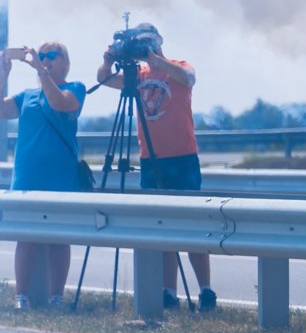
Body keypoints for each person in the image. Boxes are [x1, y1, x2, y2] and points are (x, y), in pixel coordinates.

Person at [96, 23, 217, 312]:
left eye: (148, 42)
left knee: (192, 225)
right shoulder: (137, 75)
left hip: (182, 157)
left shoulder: (178, 66)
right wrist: (108, 61)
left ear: (159, 42)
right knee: (161, 226)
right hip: (151, 159)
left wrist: (155, 60)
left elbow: (188, 78)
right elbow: (103, 80)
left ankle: (206, 290)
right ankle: (168, 291)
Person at [1, 43, 87, 310]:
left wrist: (41, 71)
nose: (46, 59)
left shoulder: (75, 88)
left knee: (58, 239)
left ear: (66, 63)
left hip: (61, 178)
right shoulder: (27, 95)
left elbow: (60, 103)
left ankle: (56, 297)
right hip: (27, 178)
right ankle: (22, 296)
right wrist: (3, 75)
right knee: (26, 238)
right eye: (42, 55)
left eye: (52, 56)